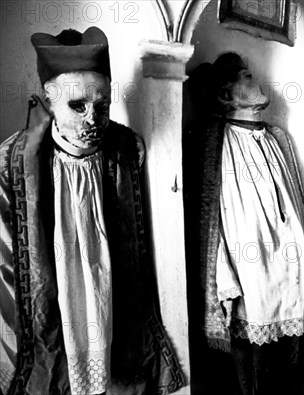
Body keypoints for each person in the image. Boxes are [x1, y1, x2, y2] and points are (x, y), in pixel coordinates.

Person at [0, 27, 184, 395]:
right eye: (77, 106)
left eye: (102, 106)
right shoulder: (13, 159)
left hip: (111, 279)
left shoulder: (127, 149)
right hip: (55, 281)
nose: (91, 120)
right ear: (49, 99)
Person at [184, 52, 304, 395]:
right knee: (252, 362)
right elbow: (208, 222)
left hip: (289, 265)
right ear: (226, 95)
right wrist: (223, 277)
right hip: (247, 267)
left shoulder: (276, 136)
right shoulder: (212, 141)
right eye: (246, 77)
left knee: (291, 359)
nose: (256, 81)